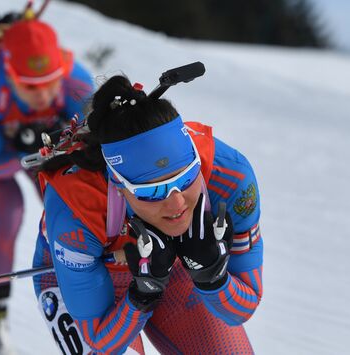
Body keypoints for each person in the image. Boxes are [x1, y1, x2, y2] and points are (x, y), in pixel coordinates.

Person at [31, 74, 263, 354]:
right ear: (117, 184)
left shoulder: (228, 176)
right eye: (152, 192)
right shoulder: (77, 211)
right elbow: (101, 340)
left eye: (186, 179)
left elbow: (243, 307)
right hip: (94, 269)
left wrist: (213, 276)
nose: (176, 204)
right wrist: (142, 294)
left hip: (175, 266)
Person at [0, 9, 94, 355]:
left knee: (69, 205)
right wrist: (32, 145)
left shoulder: (77, 79)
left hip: (35, 141)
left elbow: (94, 144)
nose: (41, 96)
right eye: (29, 86)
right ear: (9, 75)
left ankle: (85, 306)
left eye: (50, 83)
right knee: (7, 208)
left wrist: (46, 143)